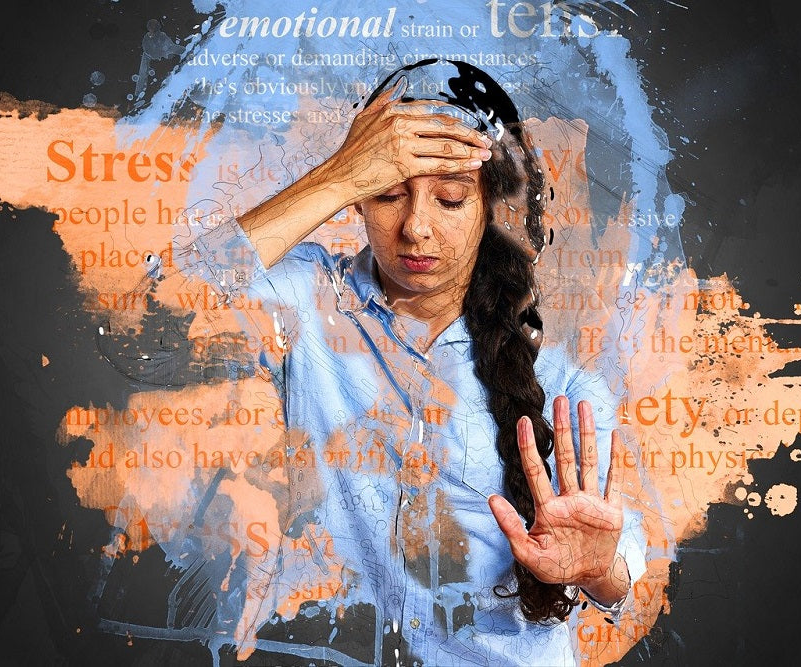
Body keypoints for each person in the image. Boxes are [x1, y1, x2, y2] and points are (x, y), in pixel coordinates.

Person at [176, 58, 645, 666]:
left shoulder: (562, 384)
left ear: (488, 210)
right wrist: (336, 177)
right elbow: (155, 322)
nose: (416, 228)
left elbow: (622, 569)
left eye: (450, 200)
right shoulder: (305, 300)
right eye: (387, 193)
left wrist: (599, 569)